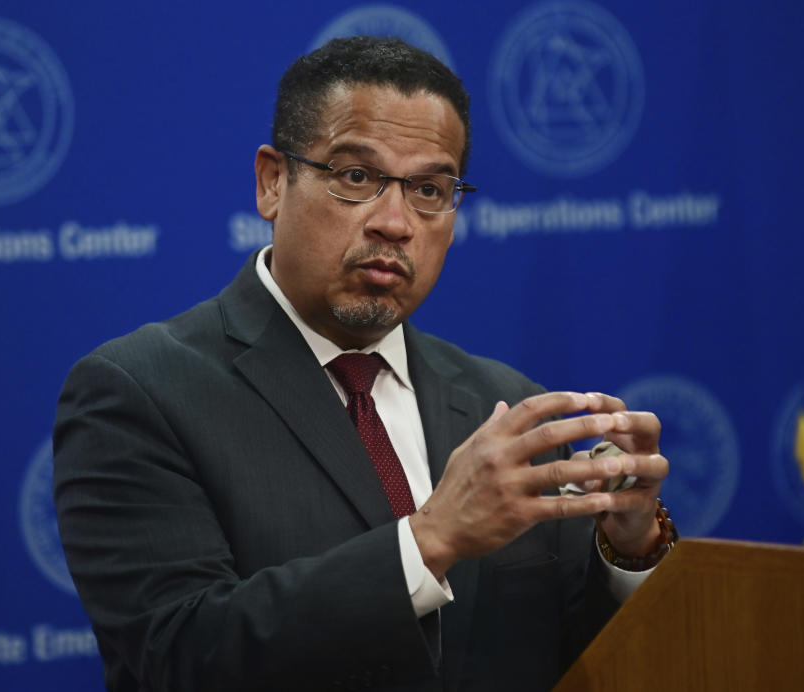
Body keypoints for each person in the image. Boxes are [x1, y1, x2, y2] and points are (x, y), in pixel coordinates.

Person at [53, 36, 672, 692]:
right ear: (272, 181)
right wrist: (429, 541)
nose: (396, 222)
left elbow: (571, 655)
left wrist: (627, 549)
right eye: (357, 177)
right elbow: (177, 656)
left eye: (430, 189)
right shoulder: (141, 392)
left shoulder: (502, 401)